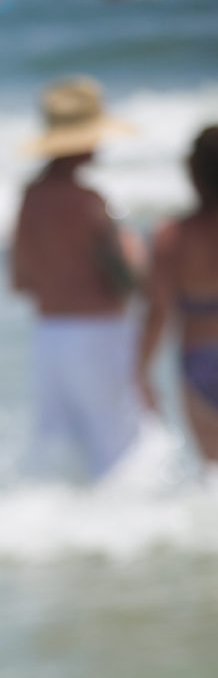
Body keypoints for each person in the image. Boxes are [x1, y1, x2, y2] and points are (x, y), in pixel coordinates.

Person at [10, 75, 148, 479]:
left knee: (60, 452)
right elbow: (131, 278)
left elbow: (19, 279)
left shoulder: (31, 199)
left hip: (49, 334)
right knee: (120, 450)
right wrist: (132, 244)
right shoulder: (91, 202)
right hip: (98, 330)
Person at [137, 125, 218, 464]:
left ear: (193, 175)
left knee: (213, 472)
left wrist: (140, 371)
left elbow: (158, 311)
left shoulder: (172, 236)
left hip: (199, 360)